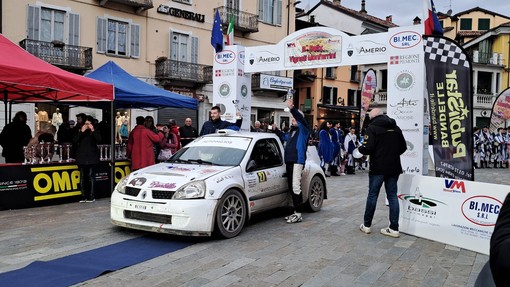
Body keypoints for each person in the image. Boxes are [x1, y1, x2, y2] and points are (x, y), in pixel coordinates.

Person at [357, 108, 407, 238]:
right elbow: (403, 147)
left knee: (372, 195)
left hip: (378, 167)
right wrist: (392, 155)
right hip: (393, 167)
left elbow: (367, 148)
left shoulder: (372, 128)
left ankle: (367, 225)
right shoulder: (396, 127)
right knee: (392, 196)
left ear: (373, 117)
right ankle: (394, 228)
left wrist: (360, 149)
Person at [274, 99, 310, 224]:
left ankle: (298, 213)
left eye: (294, 119)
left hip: (297, 161)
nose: (292, 120)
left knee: (295, 186)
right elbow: (283, 137)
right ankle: (295, 211)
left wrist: (292, 109)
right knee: (291, 186)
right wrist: (276, 130)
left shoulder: (304, 129)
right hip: (289, 161)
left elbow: (300, 118)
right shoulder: (291, 132)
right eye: (292, 118)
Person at [73, 115, 101, 203]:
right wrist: (82, 131)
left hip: (92, 157)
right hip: (82, 157)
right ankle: (83, 196)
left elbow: (99, 139)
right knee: (82, 177)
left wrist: (93, 130)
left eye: (89, 123)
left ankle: (91, 196)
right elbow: (74, 140)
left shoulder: (95, 130)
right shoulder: (79, 130)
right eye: (86, 123)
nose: (87, 125)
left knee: (91, 176)